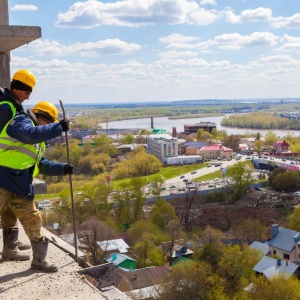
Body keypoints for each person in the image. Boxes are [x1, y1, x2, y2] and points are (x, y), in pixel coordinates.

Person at [0, 101, 73, 272]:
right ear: (40, 118)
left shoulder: (38, 144)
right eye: (47, 124)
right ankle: (12, 249)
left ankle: (37, 260)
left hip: (19, 186)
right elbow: (30, 134)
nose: (46, 129)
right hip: (1, 180)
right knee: (10, 217)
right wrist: (58, 127)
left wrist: (62, 168)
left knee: (33, 220)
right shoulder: (21, 122)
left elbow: (43, 165)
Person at [0, 69, 37, 260]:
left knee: (7, 209)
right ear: (17, 88)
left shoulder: (11, 105)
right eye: (26, 91)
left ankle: (10, 246)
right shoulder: (6, 107)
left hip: (6, 169)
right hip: (2, 167)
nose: (28, 96)